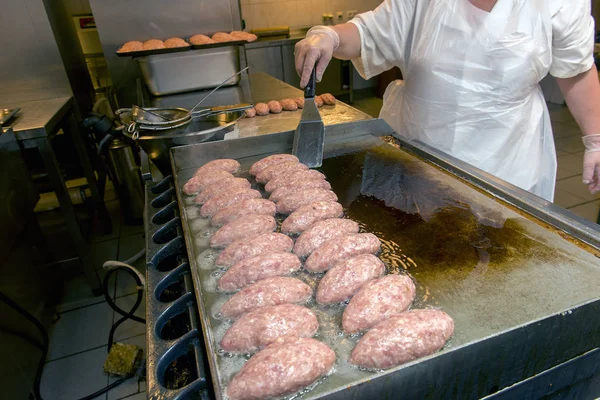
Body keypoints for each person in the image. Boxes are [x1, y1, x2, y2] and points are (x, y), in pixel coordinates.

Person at [294, 0, 600, 202]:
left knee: (500, 258)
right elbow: (367, 34)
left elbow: (575, 71)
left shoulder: (556, 3)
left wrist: (596, 138)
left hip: (508, 161)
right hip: (422, 154)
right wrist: (329, 36)